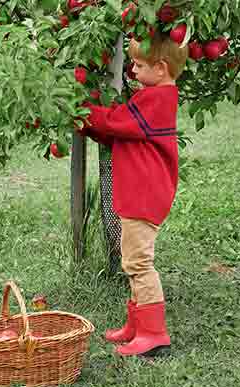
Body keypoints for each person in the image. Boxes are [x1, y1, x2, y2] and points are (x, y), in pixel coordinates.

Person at [80, 32, 188, 356]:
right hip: (140, 193)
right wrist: (86, 124)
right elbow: (119, 133)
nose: (133, 71)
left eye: (140, 65)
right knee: (132, 261)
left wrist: (83, 111)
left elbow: (117, 123)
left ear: (161, 68)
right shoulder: (152, 95)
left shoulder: (157, 99)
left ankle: (154, 333)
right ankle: (137, 324)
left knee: (139, 263)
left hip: (145, 195)